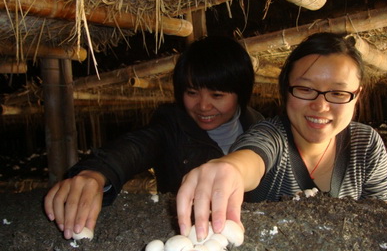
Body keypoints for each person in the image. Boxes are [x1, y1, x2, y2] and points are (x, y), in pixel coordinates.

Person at [176, 32, 387, 241]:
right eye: (305, 89)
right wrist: (229, 169)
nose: (320, 106)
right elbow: (251, 156)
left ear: (357, 95)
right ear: (285, 90)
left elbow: (381, 220)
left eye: (338, 93)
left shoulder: (366, 145)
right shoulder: (271, 135)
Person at [44, 36, 264, 239]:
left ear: (241, 94)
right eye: (192, 93)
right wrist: (97, 173)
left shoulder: (261, 129)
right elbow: (136, 147)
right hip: (190, 238)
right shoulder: (171, 126)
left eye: (217, 95)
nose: (203, 106)